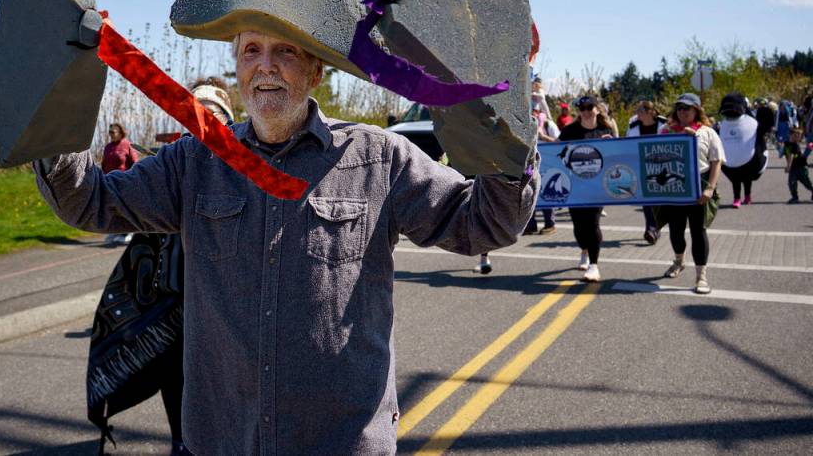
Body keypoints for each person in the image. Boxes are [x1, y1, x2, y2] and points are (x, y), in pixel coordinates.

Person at [34, 30, 539, 455]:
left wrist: (506, 134)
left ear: (316, 71)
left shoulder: (379, 158)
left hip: (343, 444)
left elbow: (484, 224)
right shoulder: (194, 161)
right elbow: (89, 202)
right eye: (251, 51)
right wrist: (60, 92)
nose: (266, 66)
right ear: (238, 69)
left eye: (286, 51)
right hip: (221, 441)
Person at [86, 81, 236, 454]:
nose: (202, 120)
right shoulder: (172, 165)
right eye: (194, 112)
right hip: (173, 301)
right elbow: (121, 206)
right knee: (175, 374)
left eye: (211, 113)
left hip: (228, 306)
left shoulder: (247, 169)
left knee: (228, 382)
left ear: (227, 119)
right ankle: (182, 441)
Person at [657, 93, 724, 295]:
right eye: (679, 108)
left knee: (698, 231)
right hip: (674, 187)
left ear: (696, 110)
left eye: (687, 108)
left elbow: (716, 162)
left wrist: (710, 188)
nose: (682, 111)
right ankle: (679, 261)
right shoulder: (666, 131)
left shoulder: (707, 132)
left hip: (698, 186)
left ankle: (701, 275)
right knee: (675, 231)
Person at [558, 95, 614, 282]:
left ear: (597, 109)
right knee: (579, 227)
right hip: (574, 186)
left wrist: (610, 144)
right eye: (582, 108)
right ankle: (584, 250)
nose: (586, 111)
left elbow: (614, 156)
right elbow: (556, 151)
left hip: (597, 187)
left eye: (590, 107)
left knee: (593, 224)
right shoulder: (569, 131)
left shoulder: (605, 130)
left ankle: (594, 265)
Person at [717, 92, 770, 208]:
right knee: (735, 179)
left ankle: (747, 196)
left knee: (747, 178)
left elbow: (761, 130)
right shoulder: (723, 124)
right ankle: (737, 198)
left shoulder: (751, 122)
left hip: (748, 157)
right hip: (731, 158)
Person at [626, 101, 667, 244]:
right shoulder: (633, 127)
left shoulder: (665, 124)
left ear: (650, 111)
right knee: (647, 198)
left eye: (640, 110)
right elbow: (627, 145)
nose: (637, 113)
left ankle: (656, 227)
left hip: (662, 166)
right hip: (642, 166)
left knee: (659, 200)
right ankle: (651, 229)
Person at [523, 101, 559, 236]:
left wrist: (543, 137)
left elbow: (559, 143)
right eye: (529, 110)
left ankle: (550, 224)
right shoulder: (524, 124)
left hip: (547, 165)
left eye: (534, 110)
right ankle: (530, 224)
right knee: (530, 192)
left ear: (538, 111)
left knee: (546, 192)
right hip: (530, 165)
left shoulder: (549, 125)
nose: (531, 113)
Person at [102, 124, 140, 244]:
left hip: (124, 182)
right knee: (113, 208)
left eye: (113, 132)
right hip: (109, 182)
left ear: (120, 133)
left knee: (125, 208)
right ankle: (116, 232)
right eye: (110, 132)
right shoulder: (108, 147)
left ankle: (129, 232)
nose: (111, 134)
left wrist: (133, 181)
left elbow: (135, 164)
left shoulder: (127, 145)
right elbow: (104, 164)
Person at [784, 126, 813, 204]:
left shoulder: (795, 146)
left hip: (801, 167)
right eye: (796, 135)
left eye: (799, 136)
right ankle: (795, 197)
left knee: (806, 183)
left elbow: (791, 156)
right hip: (794, 168)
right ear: (790, 135)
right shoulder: (787, 143)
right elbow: (787, 154)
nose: (798, 138)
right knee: (791, 183)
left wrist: (788, 166)